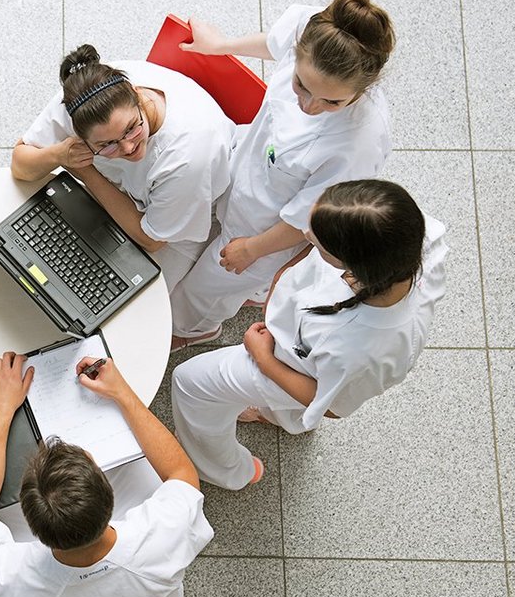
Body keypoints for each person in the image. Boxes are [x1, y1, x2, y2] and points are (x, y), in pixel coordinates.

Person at [171, 179, 447, 490]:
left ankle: (225, 470)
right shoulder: (411, 237)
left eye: (318, 243)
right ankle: (277, 417)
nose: (304, 235)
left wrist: (263, 359)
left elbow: (330, 404)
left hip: (286, 363)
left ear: (354, 265)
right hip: (294, 346)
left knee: (189, 382)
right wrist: (281, 275)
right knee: (287, 408)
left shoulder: (360, 349)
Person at [0, 352, 213, 597]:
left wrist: (1, 410)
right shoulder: (163, 536)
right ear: (109, 496)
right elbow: (180, 472)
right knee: (144, 470)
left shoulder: (7, 576)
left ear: (33, 523)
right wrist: (121, 392)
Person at [170, 0, 396, 348]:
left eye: (332, 101)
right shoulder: (311, 27)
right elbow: (275, 43)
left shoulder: (359, 142)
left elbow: (311, 216)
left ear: (361, 91)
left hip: (268, 226)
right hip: (249, 159)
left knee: (201, 291)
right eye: (301, 86)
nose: (309, 105)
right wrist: (219, 46)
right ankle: (254, 286)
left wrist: (253, 249)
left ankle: (195, 328)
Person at [12, 45, 235, 290]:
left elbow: (151, 239)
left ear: (138, 96)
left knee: (123, 294)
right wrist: (58, 154)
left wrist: (84, 170)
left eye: (131, 128)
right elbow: (20, 165)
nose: (128, 148)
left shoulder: (187, 156)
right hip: (122, 194)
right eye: (106, 144)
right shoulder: (84, 96)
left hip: (181, 217)